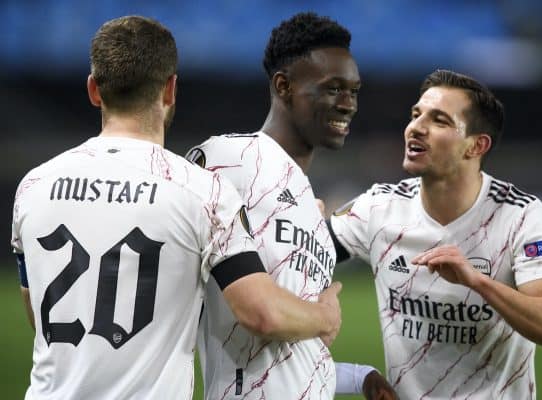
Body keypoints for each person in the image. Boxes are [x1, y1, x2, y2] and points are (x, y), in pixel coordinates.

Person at [11, 16, 343, 400]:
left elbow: (37, 312)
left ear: (94, 90)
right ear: (170, 90)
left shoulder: (34, 186)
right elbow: (261, 313)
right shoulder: (202, 192)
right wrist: (323, 315)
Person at [328, 69, 542, 399]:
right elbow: (296, 257)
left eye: (439, 120)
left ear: (476, 146)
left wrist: (478, 282)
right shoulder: (380, 207)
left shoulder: (519, 215)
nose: (416, 127)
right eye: (416, 115)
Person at [186, 12, 395, 400]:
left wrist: (358, 376)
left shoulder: (310, 209)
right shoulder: (229, 158)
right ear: (284, 87)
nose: (349, 104)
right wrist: (324, 317)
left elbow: (290, 357)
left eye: (355, 90)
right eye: (333, 89)